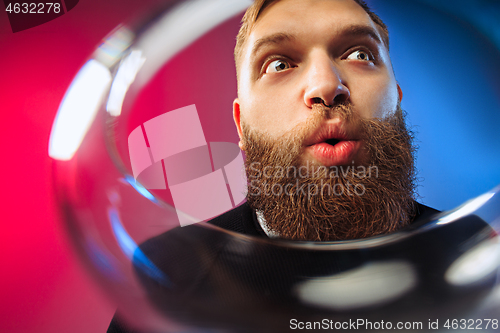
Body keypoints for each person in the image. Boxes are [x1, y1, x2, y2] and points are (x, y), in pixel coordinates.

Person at [108, 1, 496, 332]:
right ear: (241, 125)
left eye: (360, 54)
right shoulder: (168, 274)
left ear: (396, 98)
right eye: (279, 63)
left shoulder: (476, 256)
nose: (326, 86)